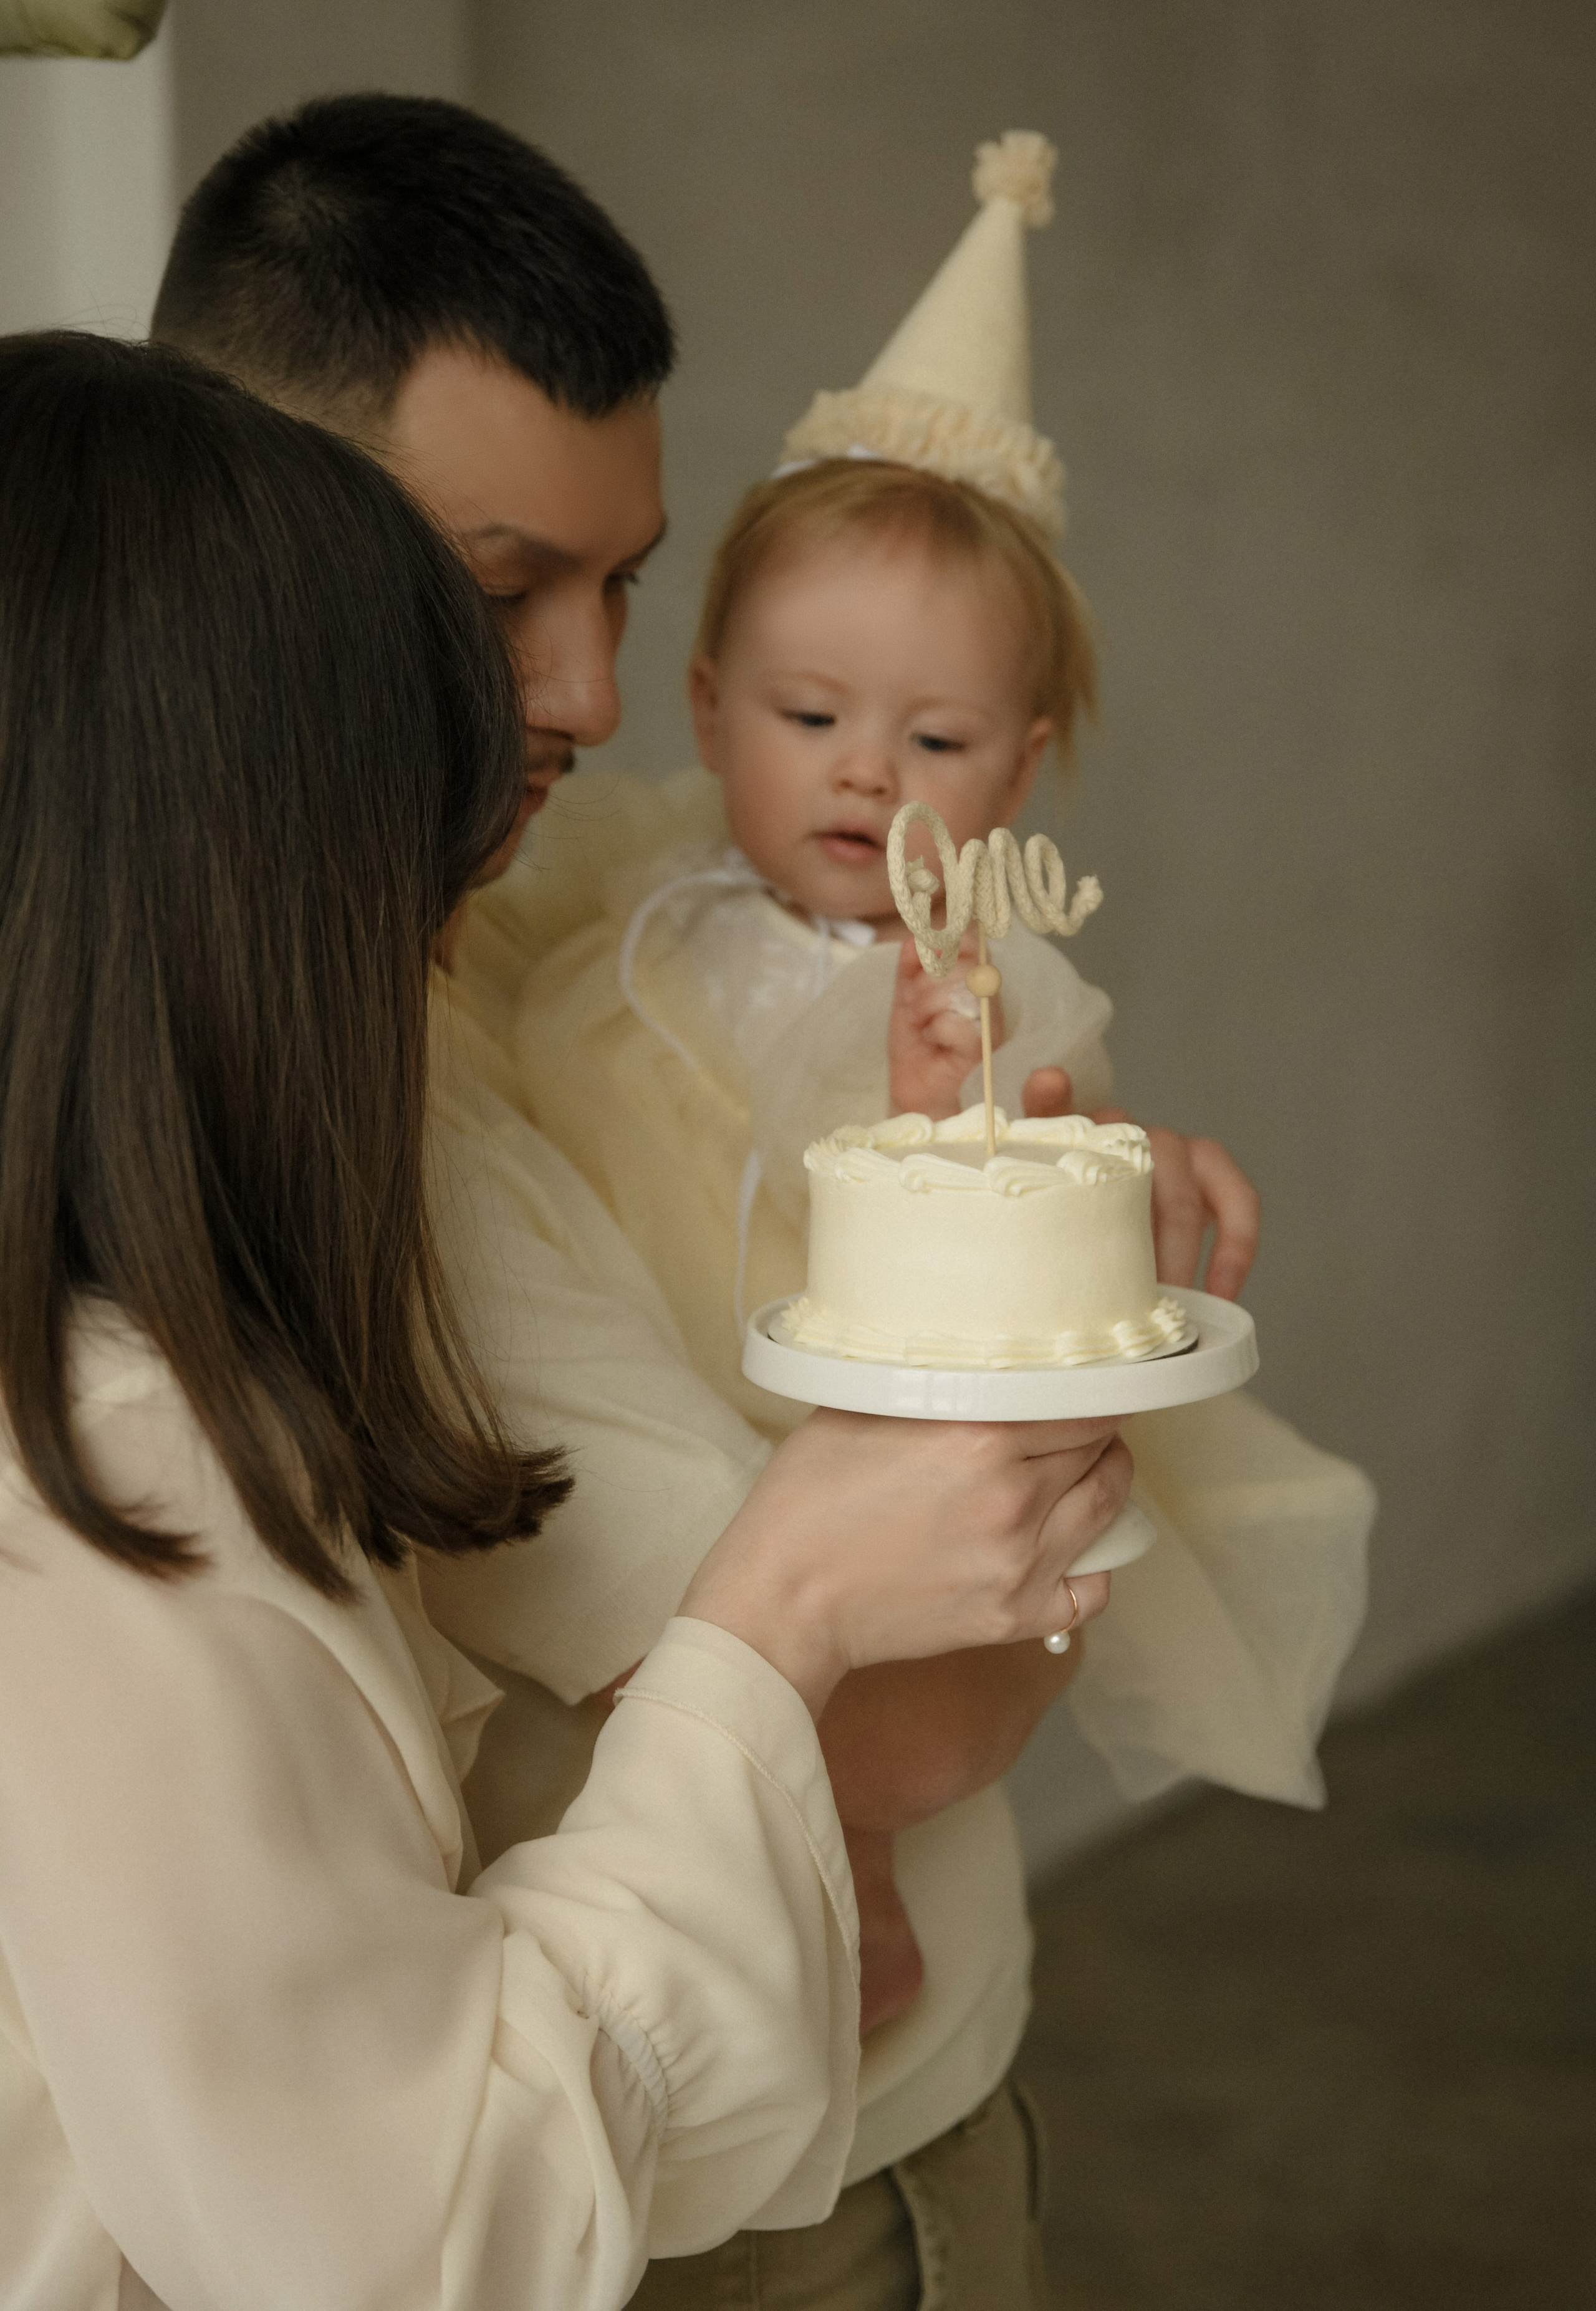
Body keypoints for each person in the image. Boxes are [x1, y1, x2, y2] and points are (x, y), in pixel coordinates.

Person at [151, 98, 1371, 2309]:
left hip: (865, 2090)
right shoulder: (331, 1119)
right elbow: (920, 1710)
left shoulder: (566, 895)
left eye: (621, 589)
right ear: (247, 533)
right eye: (502, 587)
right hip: (739, 2180)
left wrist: (1064, 1162)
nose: (596, 697)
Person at [0, 330, 1127, 2311]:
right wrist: (778, 1612)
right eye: (496, 588)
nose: (588, 699)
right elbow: (415, 2232)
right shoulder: (117, 1469)